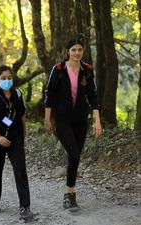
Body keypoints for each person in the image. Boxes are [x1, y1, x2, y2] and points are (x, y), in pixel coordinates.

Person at [44, 38, 102, 212]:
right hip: (62, 120)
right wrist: (48, 119)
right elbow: (50, 95)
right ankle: (70, 194)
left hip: (80, 120)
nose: (77, 53)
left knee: (74, 157)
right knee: (74, 154)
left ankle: (70, 195)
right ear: (67, 51)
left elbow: (93, 96)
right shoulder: (59, 69)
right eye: (74, 50)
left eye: (80, 50)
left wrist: (97, 120)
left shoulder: (87, 70)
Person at [0, 65, 33, 220]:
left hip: (15, 137)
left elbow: (21, 114)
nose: (6, 81)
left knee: (20, 170)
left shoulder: (17, 94)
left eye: (9, 78)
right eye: (3, 78)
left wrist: (24, 132)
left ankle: (25, 206)